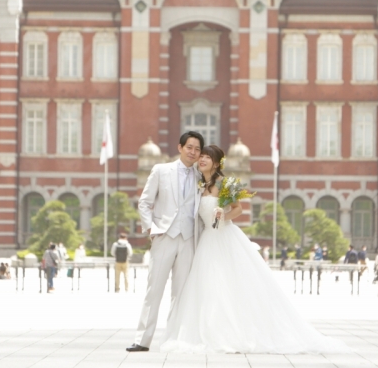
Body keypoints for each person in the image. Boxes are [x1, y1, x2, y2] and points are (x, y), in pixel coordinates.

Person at [160, 144, 343, 354]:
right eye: (201, 157)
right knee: (207, 284)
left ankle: (233, 331)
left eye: (207, 158)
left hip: (225, 237)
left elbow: (237, 209)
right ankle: (207, 330)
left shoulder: (226, 183)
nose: (202, 160)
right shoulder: (198, 184)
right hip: (206, 241)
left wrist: (223, 216)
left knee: (228, 283)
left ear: (217, 163)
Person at [127, 131, 205, 352]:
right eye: (190, 147)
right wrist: (151, 229)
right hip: (164, 237)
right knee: (154, 290)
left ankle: (173, 339)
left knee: (181, 294)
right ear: (180, 148)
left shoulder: (202, 177)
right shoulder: (161, 170)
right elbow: (144, 202)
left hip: (189, 239)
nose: (193, 152)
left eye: (197, 149)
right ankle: (142, 339)